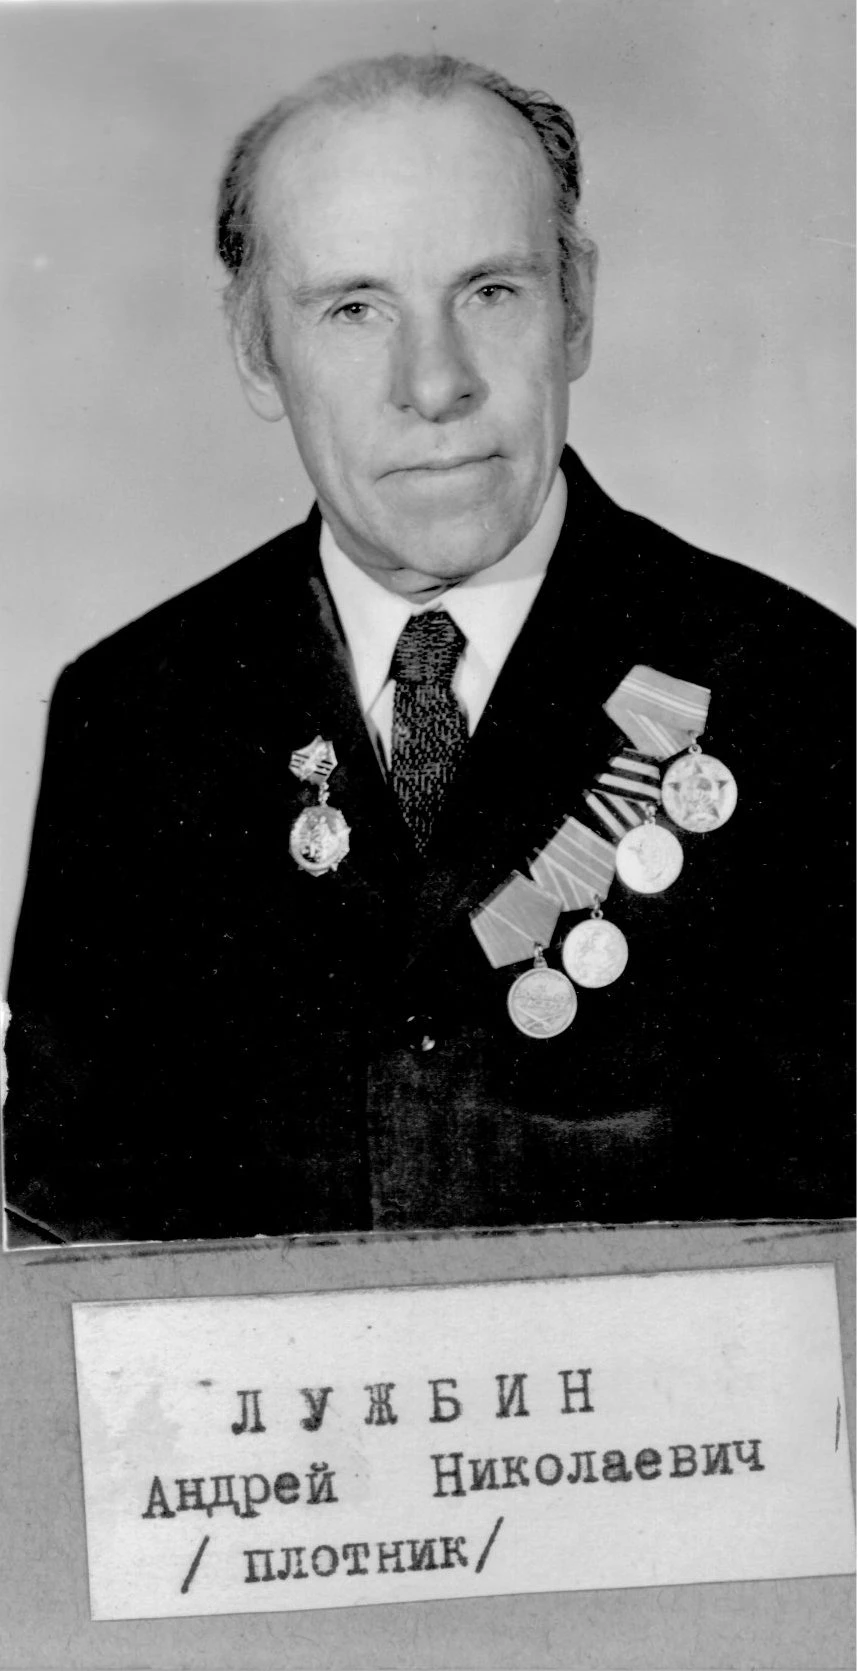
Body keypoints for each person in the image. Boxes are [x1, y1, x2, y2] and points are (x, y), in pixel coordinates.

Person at [4, 52, 853, 1245]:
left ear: (577, 306)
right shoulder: (136, 713)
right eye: (354, 308)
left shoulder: (803, 691)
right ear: (255, 349)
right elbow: (67, 1248)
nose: (436, 383)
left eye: (491, 291)